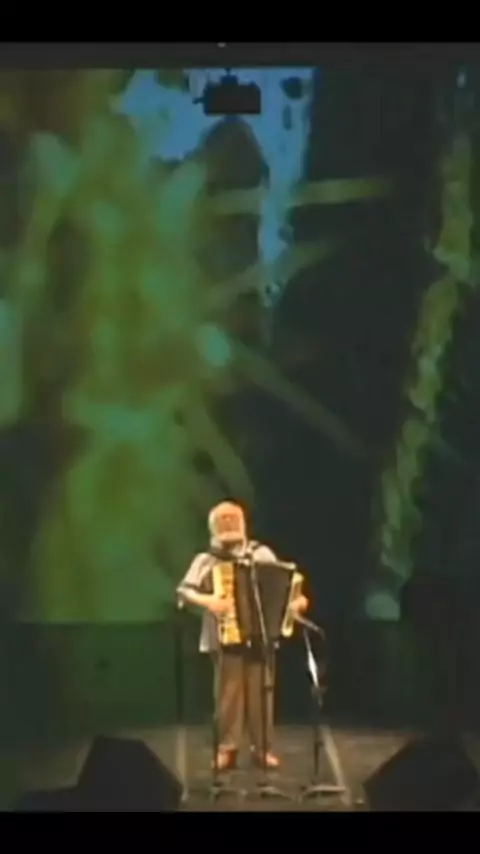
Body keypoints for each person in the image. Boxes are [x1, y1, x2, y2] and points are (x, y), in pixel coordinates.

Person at [177, 500, 308, 772]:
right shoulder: (206, 559)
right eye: (222, 519)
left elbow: (285, 587)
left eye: (233, 517)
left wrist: (296, 603)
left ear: (244, 522)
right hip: (224, 635)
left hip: (261, 635)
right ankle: (227, 748)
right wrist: (211, 601)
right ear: (212, 526)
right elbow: (185, 591)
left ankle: (262, 748)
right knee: (228, 695)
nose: (228, 522)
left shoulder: (262, 554)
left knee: (263, 693)